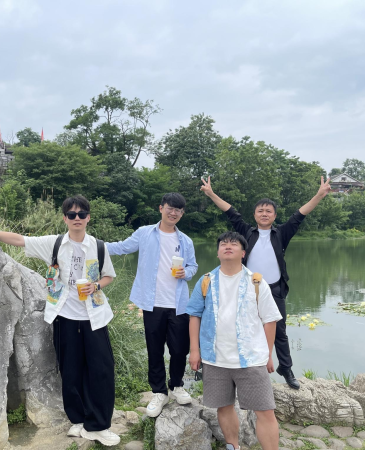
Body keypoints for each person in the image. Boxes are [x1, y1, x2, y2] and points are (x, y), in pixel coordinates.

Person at [0, 195, 120, 447]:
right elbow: (18, 239)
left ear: (88, 217)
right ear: (65, 218)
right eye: (72, 214)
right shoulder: (54, 244)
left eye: (81, 214)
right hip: (64, 317)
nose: (77, 218)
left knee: (101, 370)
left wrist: (96, 286)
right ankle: (78, 420)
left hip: (95, 317)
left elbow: (109, 276)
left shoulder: (98, 247)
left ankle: (99, 426)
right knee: (70, 370)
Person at [200, 176, 331, 389]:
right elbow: (230, 212)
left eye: (268, 211)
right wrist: (211, 194)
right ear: (254, 215)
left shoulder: (282, 233)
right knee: (244, 327)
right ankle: (242, 368)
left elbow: (300, 214)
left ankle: (286, 368)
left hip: (275, 289)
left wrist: (319, 195)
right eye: (260, 211)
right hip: (249, 289)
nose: (264, 214)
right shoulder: (246, 232)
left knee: (280, 331)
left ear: (274, 216)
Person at [106, 193, 198, 417]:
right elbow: (122, 247)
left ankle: (176, 386)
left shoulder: (185, 241)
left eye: (178, 210)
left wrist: (186, 273)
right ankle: (159, 392)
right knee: (154, 349)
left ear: (182, 213)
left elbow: (193, 266)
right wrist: (90, 245)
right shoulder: (145, 233)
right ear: (161, 208)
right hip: (152, 302)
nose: (173, 213)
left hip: (179, 304)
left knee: (179, 349)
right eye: (170, 208)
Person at [187, 232, 282, 450]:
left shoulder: (256, 282)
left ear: (243, 253)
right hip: (215, 358)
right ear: (218, 252)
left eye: (234, 244)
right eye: (223, 244)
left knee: (265, 411)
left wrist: (268, 355)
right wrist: (195, 350)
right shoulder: (206, 281)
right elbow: (194, 315)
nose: (228, 246)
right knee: (223, 407)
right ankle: (233, 447)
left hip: (250, 358)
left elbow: (270, 320)